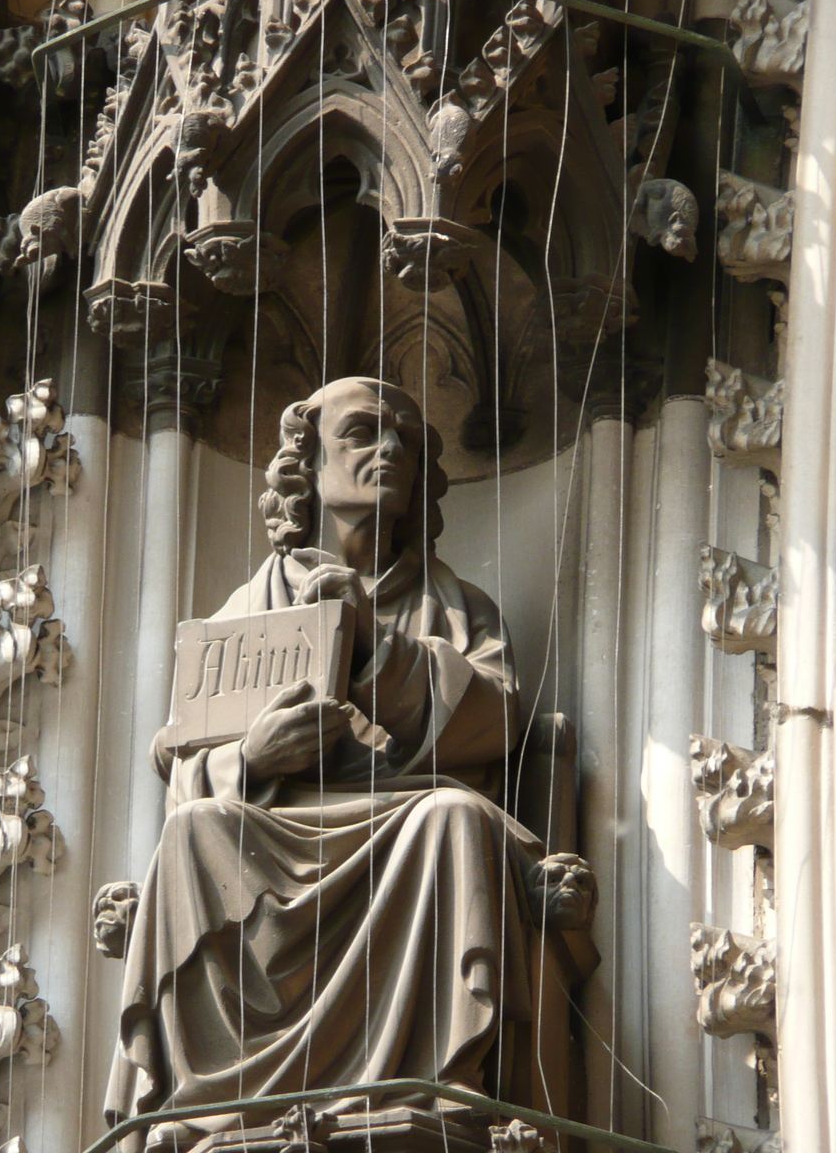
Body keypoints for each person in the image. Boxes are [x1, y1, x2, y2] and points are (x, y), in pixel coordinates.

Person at [105, 377, 580, 1144]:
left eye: (406, 440)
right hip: (272, 834)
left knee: (452, 816)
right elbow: (180, 754)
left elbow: (496, 722)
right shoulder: (252, 606)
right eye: (362, 432)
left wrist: (372, 645)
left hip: (401, 822)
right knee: (195, 829)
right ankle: (208, 1097)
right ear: (309, 465)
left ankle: (437, 1081)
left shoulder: (461, 608)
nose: (390, 449)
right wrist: (251, 763)